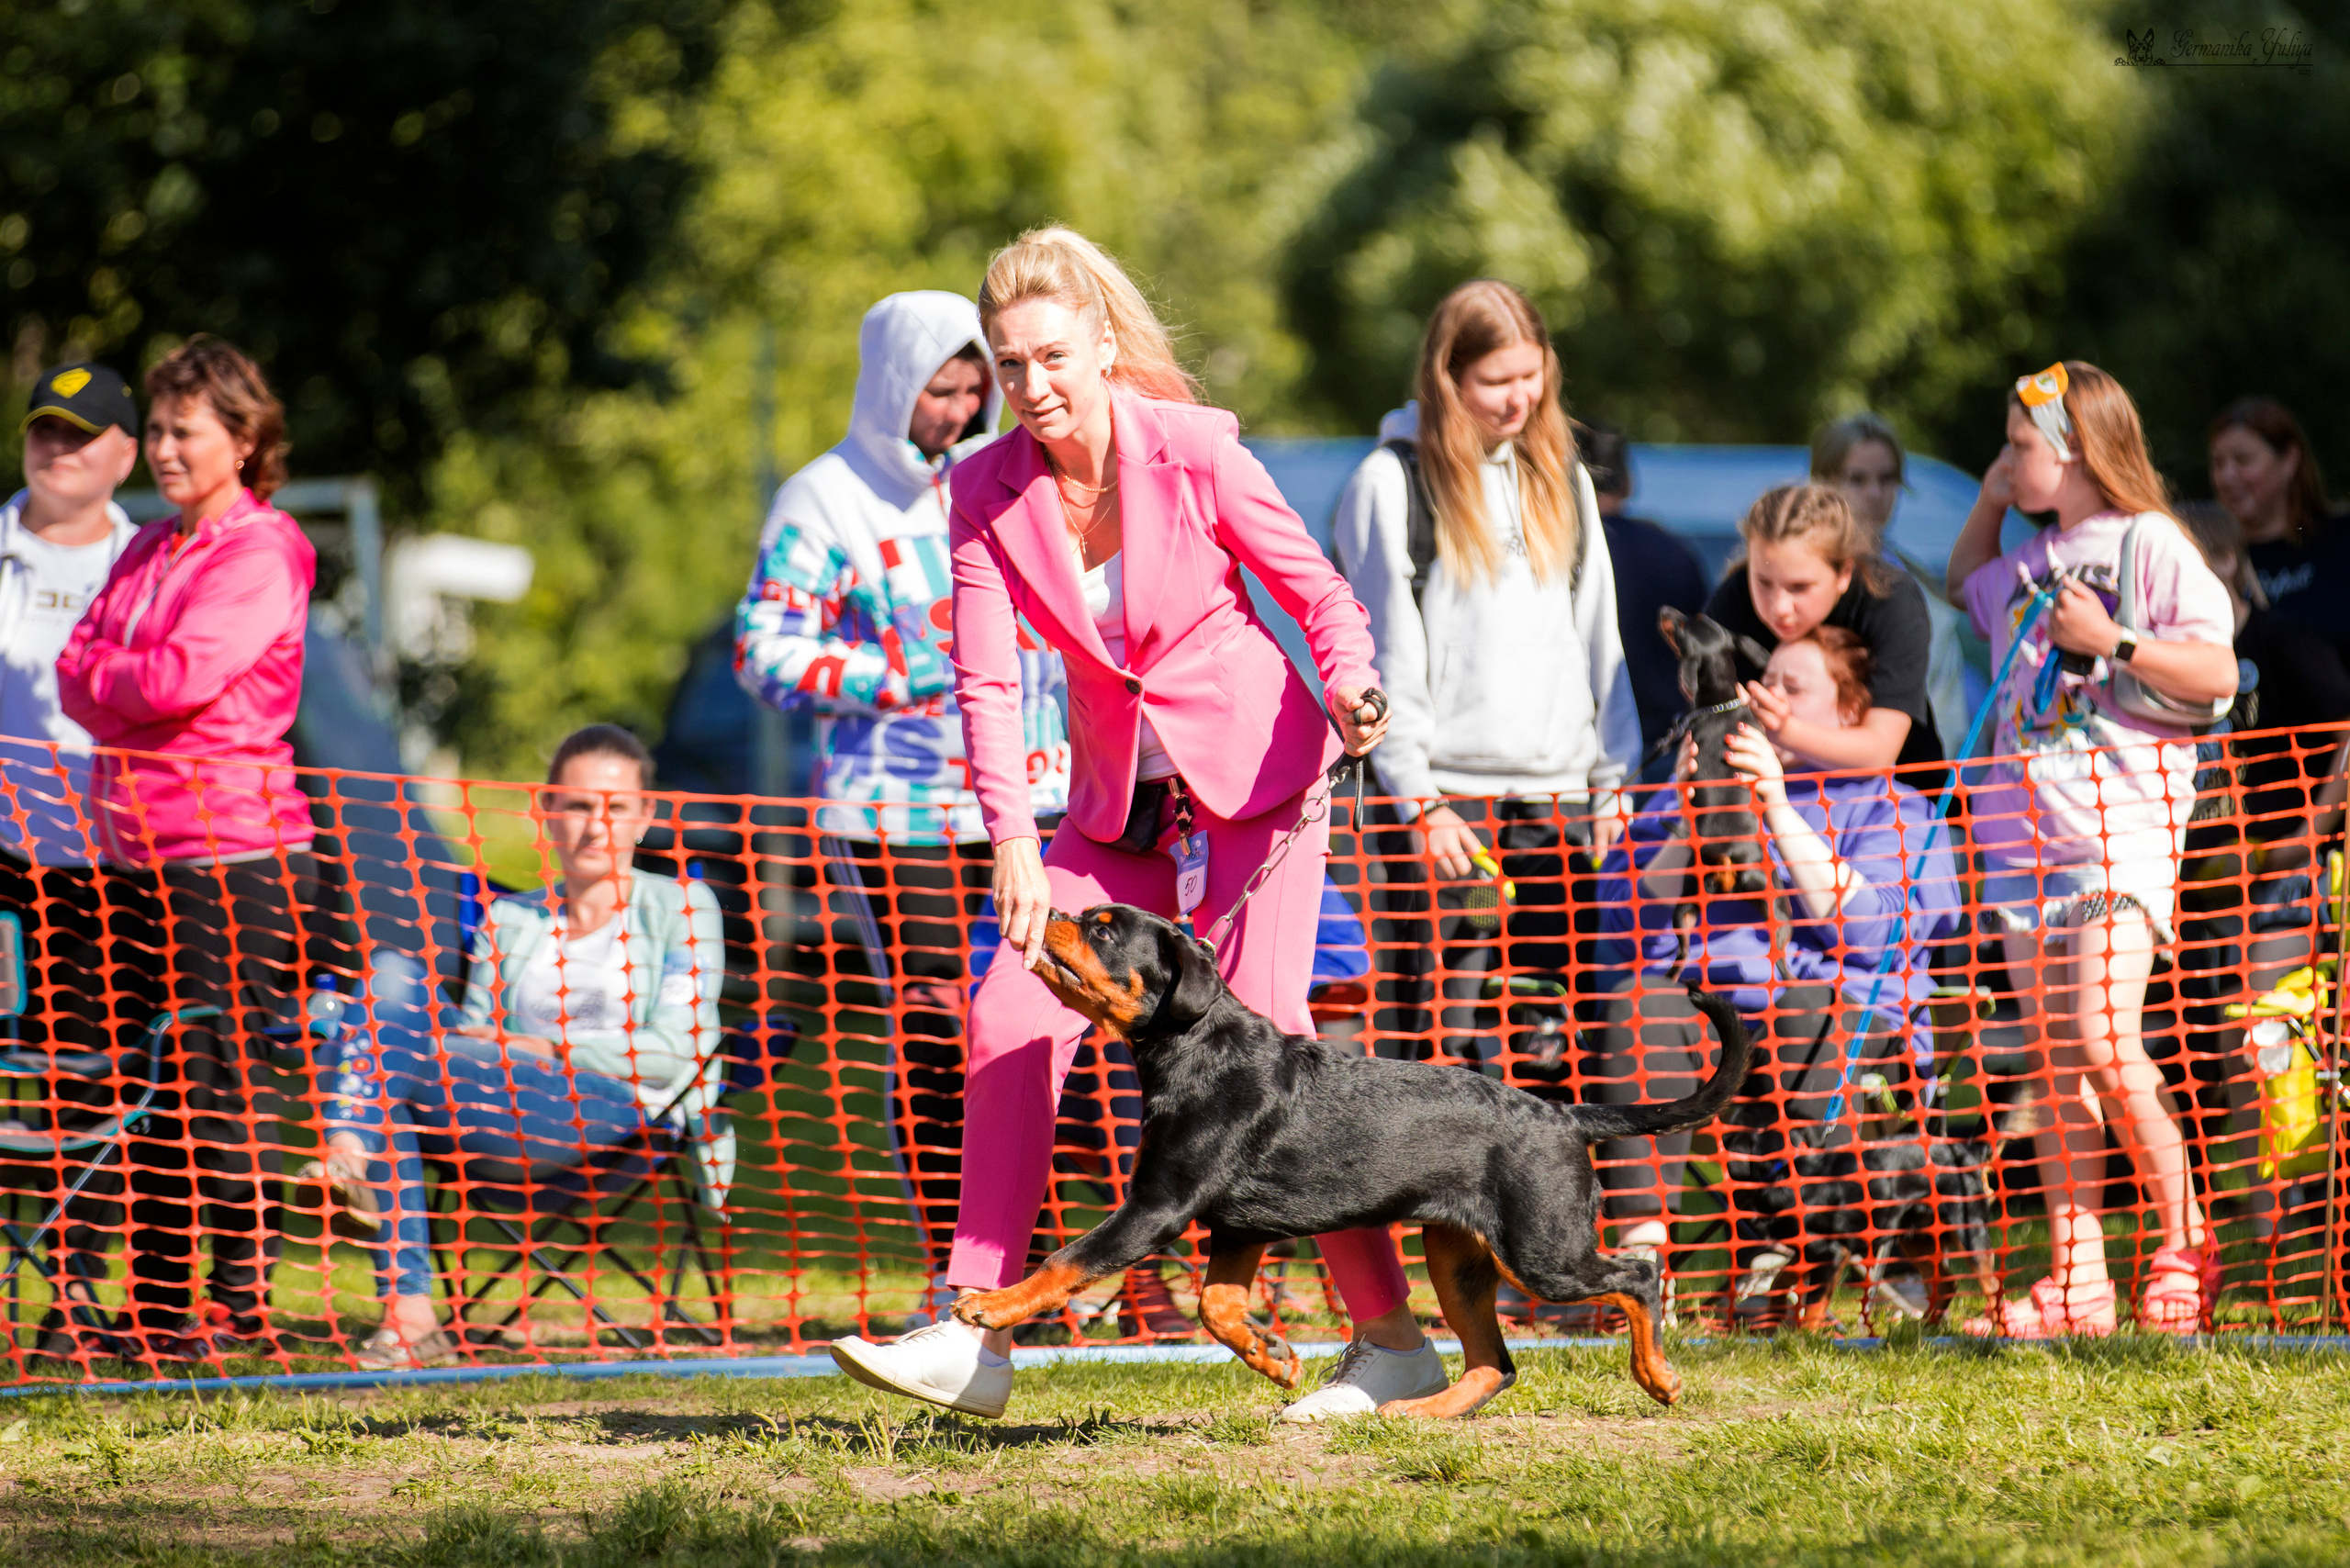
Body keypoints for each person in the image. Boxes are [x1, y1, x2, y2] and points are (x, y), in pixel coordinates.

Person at [826, 224, 1426, 1425]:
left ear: (1103, 346)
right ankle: (972, 1330)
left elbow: (1316, 592)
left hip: (1255, 781)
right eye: (1009, 365)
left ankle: (1393, 1342)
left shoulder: (1195, 450)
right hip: (1113, 810)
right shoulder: (987, 490)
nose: (1032, 388)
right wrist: (1010, 844)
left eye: (1052, 356)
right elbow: (987, 682)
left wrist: (1354, 684)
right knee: (1006, 1013)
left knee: (1271, 1052)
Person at [733, 292, 1076, 1328]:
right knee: (940, 1025)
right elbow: (763, 649)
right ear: (893, 384)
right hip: (898, 811)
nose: (964, 409)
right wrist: (893, 673)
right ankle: (959, 1263)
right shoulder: (824, 500)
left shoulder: (1014, 477)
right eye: (944, 389)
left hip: (1040, 792)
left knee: (1057, 1021)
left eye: (978, 389)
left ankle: (1074, 1262)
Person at [1947, 360, 2238, 1336]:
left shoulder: (2147, 540)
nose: (2004, 457)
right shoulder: (2026, 553)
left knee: (2106, 1041)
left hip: (2116, 837)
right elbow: (1961, 585)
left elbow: (2216, 671)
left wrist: (2110, 641)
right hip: (2021, 851)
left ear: (2071, 451)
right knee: (2050, 1057)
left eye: (2018, 445)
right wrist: (1992, 499)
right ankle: (2077, 1278)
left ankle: (2185, 1245)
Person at [54, 335, 325, 1362]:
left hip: (235, 859)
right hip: (129, 855)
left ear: (243, 438)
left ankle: (238, 1300)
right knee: (144, 1090)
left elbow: (175, 678)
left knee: (221, 1085)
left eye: (182, 430)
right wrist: (127, 687)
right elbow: (80, 675)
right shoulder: (143, 548)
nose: (163, 449)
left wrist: (123, 687)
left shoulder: (265, 548)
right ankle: (157, 1306)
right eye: (156, 430)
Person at [307, 725, 725, 1370]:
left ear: (646, 817)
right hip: (496, 1103)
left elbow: (675, 1050)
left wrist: (550, 1048)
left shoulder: (682, 907)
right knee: (390, 979)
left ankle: (346, 1151)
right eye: (579, 805)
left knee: (377, 1049)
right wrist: (504, 1049)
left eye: (615, 808)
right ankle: (409, 1316)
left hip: (620, 1116)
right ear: (548, 812)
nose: (595, 826)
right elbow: (477, 1033)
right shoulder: (510, 919)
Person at [1589, 628, 1960, 1327]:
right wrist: (1694, 813)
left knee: (1808, 1003)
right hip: (1709, 1024)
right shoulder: (1686, 798)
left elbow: (1873, 934)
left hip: (1845, 1026)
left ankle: (1794, 1264)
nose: (1767, 699)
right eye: (1762, 685)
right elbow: (1623, 927)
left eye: (1793, 686)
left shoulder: (1892, 805)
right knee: (1641, 1000)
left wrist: (1780, 810)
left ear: (1851, 713)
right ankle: (1641, 1268)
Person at [1328, 280, 1639, 1069]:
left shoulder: (1563, 478)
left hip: (1562, 810)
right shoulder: (1390, 483)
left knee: (1547, 1059)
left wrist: (1614, 779)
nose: (1519, 400)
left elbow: (1601, 638)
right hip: (1446, 815)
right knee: (1441, 1060)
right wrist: (1422, 802)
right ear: (1448, 377)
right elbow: (1380, 662)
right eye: (1496, 382)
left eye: (1531, 376)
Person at [0, 364, 141, 1358]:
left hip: (112, 870)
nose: (57, 449)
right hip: (0, 858)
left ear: (125, 454)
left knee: (94, 1086)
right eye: (44, 430)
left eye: (80, 435)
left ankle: (75, 1293)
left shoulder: (153, 560)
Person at [1707, 484, 1942, 778]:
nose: (1779, 606)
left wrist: (1785, 730)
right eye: (1763, 582)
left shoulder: (1890, 601)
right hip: (1765, 804)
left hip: (1897, 803)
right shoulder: (1733, 602)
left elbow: (1879, 751)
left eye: (1799, 587)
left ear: (1844, 573)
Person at [1810, 413, 1967, 758]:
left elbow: (1947, 713)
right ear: (1824, 483)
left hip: (1905, 789)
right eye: (1857, 479)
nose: (1875, 493)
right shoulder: (1797, 578)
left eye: (1887, 479)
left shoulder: (1919, 583)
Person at [1582, 420, 1709, 767]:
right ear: (1627, 482)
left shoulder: (1559, 556)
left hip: (1587, 756)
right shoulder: (1674, 550)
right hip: (1670, 751)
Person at [2208, 398, 2347, 658]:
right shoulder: (2212, 562)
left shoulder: (2340, 541)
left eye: (2243, 460)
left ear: (2289, 460)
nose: (2227, 477)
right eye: (2218, 463)